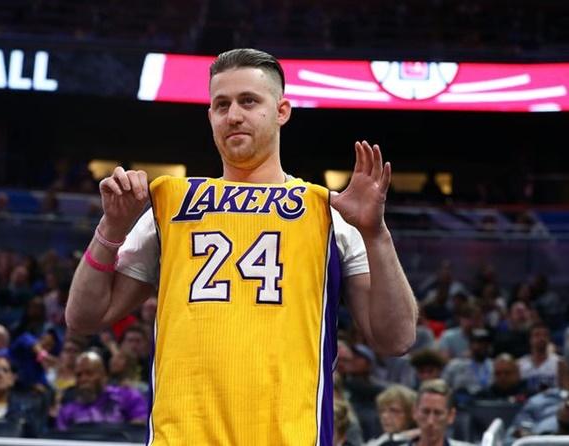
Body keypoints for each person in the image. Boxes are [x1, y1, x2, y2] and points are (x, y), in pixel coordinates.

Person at [66, 47, 418, 444]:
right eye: (221, 105)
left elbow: (397, 338)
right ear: (210, 116)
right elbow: (83, 318)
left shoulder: (330, 211)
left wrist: (376, 234)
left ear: (282, 111)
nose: (233, 115)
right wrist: (111, 229)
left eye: (249, 101)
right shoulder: (170, 205)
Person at [56, 351, 147, 430]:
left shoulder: (128, 396)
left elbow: (140, 427)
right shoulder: (67, 411)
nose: (83, 379)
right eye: (79, 375)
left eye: (89, 373)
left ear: (103, 376)